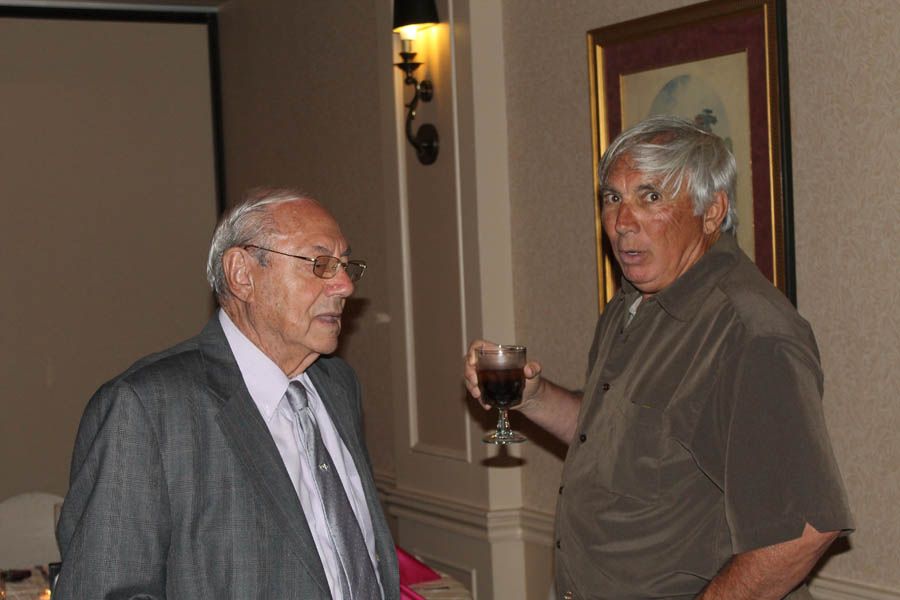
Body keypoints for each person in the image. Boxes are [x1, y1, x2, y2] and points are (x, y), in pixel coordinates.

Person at [464, 116, 853, 599]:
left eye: (651, 197)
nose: (623, 222)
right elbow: (614, 435)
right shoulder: (633, 303)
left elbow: (805, 529)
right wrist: (533, 397)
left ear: (713, 211)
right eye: (613, 198)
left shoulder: (749, 332)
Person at [55, 189, 399, 599]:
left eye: (345, 266)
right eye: (320, 263)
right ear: (242, 274)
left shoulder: (338, 385)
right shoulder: (146, 408)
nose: (344, 286)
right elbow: (105, 590)